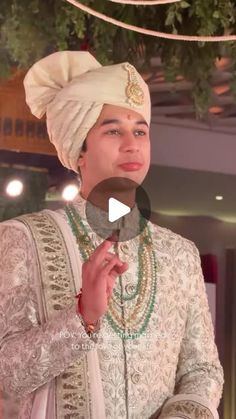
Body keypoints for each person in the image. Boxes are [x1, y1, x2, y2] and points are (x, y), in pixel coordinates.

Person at [0, 51, 223, 419]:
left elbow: (202, 371)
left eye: (140, 131)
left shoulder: (180, 254)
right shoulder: (22, 239)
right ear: (79, 150)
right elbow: (7, 376)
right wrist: (81, 318)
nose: (132, 144)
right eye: (113, 130)